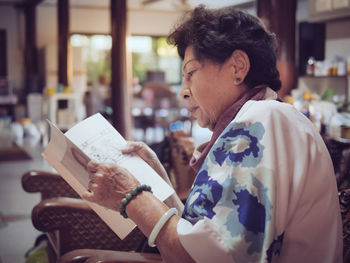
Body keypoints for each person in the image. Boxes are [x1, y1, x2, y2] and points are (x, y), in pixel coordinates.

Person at [82, 5, 343, 263]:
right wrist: (159, 182)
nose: (183, 91)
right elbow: (206, 239)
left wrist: (133, 195)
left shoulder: (263, 121)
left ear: (238, 67)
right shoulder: (270, 117)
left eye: (191, 73)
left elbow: (201, 258)